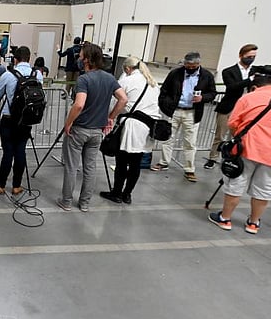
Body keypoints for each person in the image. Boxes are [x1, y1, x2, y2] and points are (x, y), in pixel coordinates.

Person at [208, 66, 271, 234]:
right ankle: (253, 223)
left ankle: (225, 219)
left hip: (245, 150)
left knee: (236, 183)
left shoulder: (249, 98)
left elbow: (233, 124)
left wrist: (241, 136)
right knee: (264, 189)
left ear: (254, 86)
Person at [57, 43, 128, 212]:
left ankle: (66, 201)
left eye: (81, 57)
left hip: (79, 129)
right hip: (97, 131)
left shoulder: (84, 79)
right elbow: (123, 99)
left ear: (87, 60)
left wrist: (68, 123)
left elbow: (79, 105)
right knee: (90, 168)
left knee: (72, 166)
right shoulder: (110, 78)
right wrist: (110, 118)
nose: (79, 60)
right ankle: (85, 203)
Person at [99, 57, 161, 205]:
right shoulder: (153, 83)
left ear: (127, 69)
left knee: (121, 161)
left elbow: (118, 101)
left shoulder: (127, 81)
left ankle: (116, 193)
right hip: (148, 127)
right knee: (135, 163)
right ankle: (127, 194)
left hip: (132, 126)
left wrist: (110, 117)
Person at [152, 52, 216, 182]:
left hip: (192, 113)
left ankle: (189, 169)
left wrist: (203, 98)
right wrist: (166, 106)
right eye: (187, 65)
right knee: (168, 138)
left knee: (190, 142)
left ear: (198, 64)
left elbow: (213, 93)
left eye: (193, 66)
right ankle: (164, 162)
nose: (190, 68)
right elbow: (164, 91)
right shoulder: (175, 74)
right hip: (174, 111)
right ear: (184, 63)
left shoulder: (206, 76)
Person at [0, 46, 43, 196]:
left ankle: (0, 184)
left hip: (9, 118)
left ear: (15, 59)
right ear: (29, 58)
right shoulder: (37, 74)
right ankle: (17, 186)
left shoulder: (8, 75)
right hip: (26, 119)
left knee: (8, 152)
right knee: (20, 150)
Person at [204, 44, 257, 170]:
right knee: (220, 134)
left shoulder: (255, 71)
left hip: (247, 108)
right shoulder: (229, 71)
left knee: (239, 136)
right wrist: (249, 80)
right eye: (249, 56)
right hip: (229, 106)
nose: (251, 59)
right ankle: (213, 157)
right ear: (241, 55)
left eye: (253, 57)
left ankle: (232, 157)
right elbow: (232, 87)